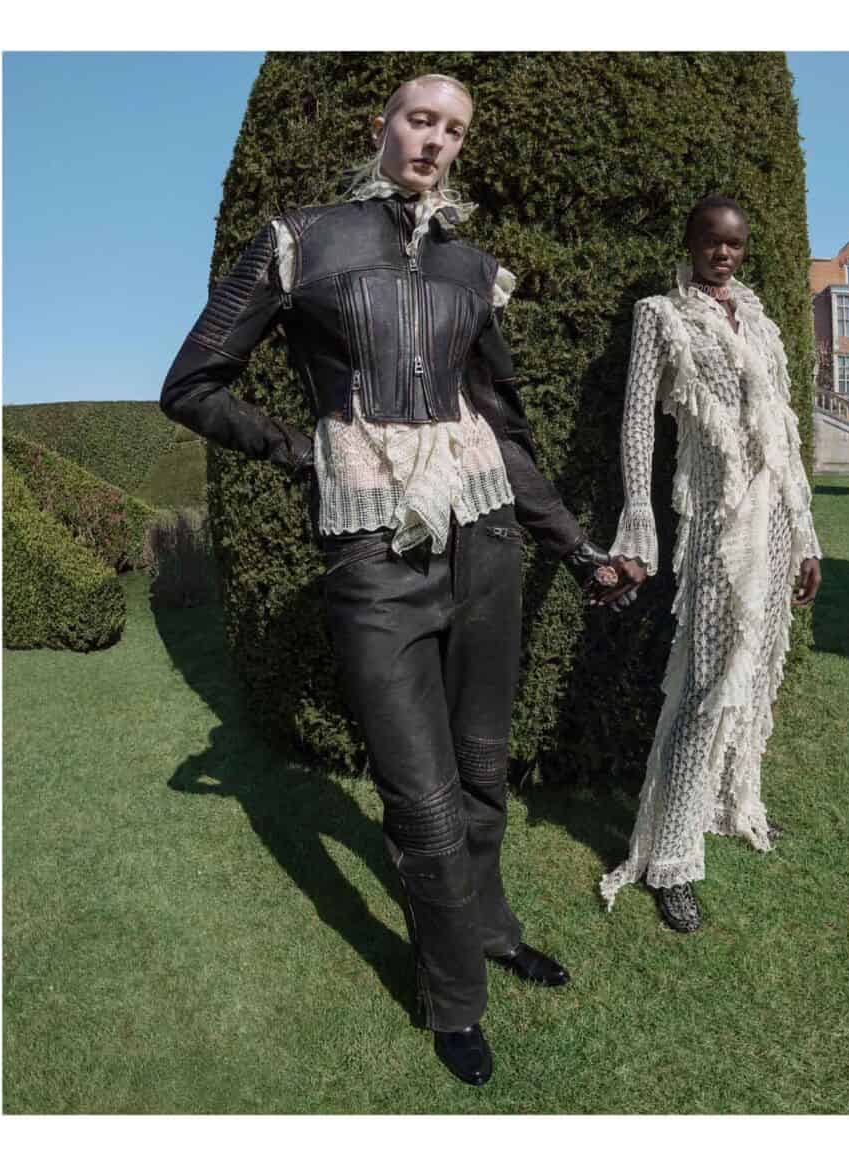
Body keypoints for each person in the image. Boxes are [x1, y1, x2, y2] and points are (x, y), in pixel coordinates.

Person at [160, 74, 634, 1087]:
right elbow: (190, 384)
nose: (434, 142)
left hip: (485, 538)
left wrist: (577, 548)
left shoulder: (471, 268)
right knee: (421, 800)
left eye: (453, 130)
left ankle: (491, 927)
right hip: (373, 558)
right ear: (383, 123)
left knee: (482, 768)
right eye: (421, 120)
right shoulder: (300, 241)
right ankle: (453, 998)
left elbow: (504, 431)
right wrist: (306, 452)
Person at [599, 195, 824, 932]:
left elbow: (783, 433)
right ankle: (670, 857)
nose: (723, 254)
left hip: (774, 519)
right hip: (714, 522)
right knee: (703, 684)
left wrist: (806, 534)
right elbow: (638, 423)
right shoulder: (661, 315)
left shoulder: (759, 318)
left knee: (754, 673)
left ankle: (732, 804)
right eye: (711, 241)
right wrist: (639, 515)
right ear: (691, 242)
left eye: (734, 244)